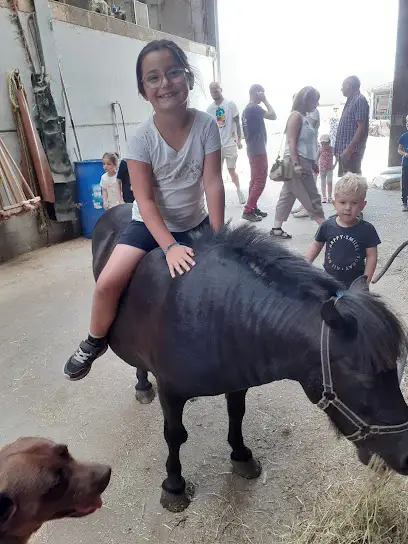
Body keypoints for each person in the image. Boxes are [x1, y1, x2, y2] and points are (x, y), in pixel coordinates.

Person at [63, 39, 225, 380]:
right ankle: (93, 341)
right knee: (107, 282)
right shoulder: (140, 139)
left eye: (173, 73)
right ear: (144, 90)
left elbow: (213, 183)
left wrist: (219, 233)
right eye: (153, 78)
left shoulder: (207, 125)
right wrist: (168, 246)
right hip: (149, 226)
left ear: (189, 79)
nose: (164, 83)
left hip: (196, 222)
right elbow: (145, 200)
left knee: (226, 281)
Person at [305, 173, 380, 288]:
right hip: (329, 282)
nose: (347, 208)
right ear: (334, 204)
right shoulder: (327, 225)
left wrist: (364, 282)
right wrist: (306, 263)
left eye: (354, 203)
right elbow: (316, 246)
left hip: (354, 285)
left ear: (363, 205)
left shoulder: (367, 229)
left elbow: (372, 256)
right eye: (343, 202)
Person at [271, 87, 325, 239]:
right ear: (305, 100)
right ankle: (325, 227)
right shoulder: (295, 116)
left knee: (287, 195)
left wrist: (313, 161)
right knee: (310, 195)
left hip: (303, 161)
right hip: (296, 162)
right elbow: (291, 141)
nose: (317, 104)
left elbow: (306, 143)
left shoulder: (304, 117)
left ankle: (276, 228)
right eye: (315, 100)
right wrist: (295, 164)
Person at [241, 84, 277, 222]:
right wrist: (266, 100)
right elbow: (273, 115)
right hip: (258, 150)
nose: (263, 95)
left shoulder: (246, 110)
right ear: (256, 93)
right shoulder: (254, 108)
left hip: (252, 149)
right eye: (262, 92)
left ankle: (252, 207)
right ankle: (248, 209)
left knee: (254, 180)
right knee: (260, 181)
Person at [207, 82, 246, 204]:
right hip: (217, 146)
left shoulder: (230, 105)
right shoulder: (210, 109)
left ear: (221, 89)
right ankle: (219, 197)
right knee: (216, 173)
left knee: (231, 170)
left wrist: (239, 140)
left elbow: (237, 123)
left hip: (230, 143)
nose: (214, 92)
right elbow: (208, 128)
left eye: (216, 90)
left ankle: (239, 191)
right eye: (212, 91)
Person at [335, 76, 369, 176]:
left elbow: (361, 128)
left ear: (349, 86)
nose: (341, 89)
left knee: (352, 186)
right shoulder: (350, 100)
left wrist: (349, 149)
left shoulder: (360, 100)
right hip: (345, 152)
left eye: (343, 86)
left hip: (351, 153)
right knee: (345, 186)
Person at [291, 105, 321, 218]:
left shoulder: (313, 112)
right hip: (304, 151)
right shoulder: (304, 113)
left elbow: (308, 132)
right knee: (303, 181)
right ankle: (304, 206)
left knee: (309, 181)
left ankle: (309, 208)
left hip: (309, 151)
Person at [317, 134, 337, 203]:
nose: (324, 145)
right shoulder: (320, 149)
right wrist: (316, 165)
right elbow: (317, 158)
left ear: (329, 143)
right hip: (322, 168)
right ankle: (324, 197)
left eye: (325, 144)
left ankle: (330, 196)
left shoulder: (332, 149)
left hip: (329, 169)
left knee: (329, 182)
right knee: (323, 182)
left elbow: (336, 157)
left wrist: (335, 164)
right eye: (322, 144)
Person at [397, 114, 408, 212]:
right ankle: (404, 202)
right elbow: (399, 150)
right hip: (406, 164)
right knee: (405, 183)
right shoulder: (404, 137)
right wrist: (404, 153)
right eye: (407, 122)